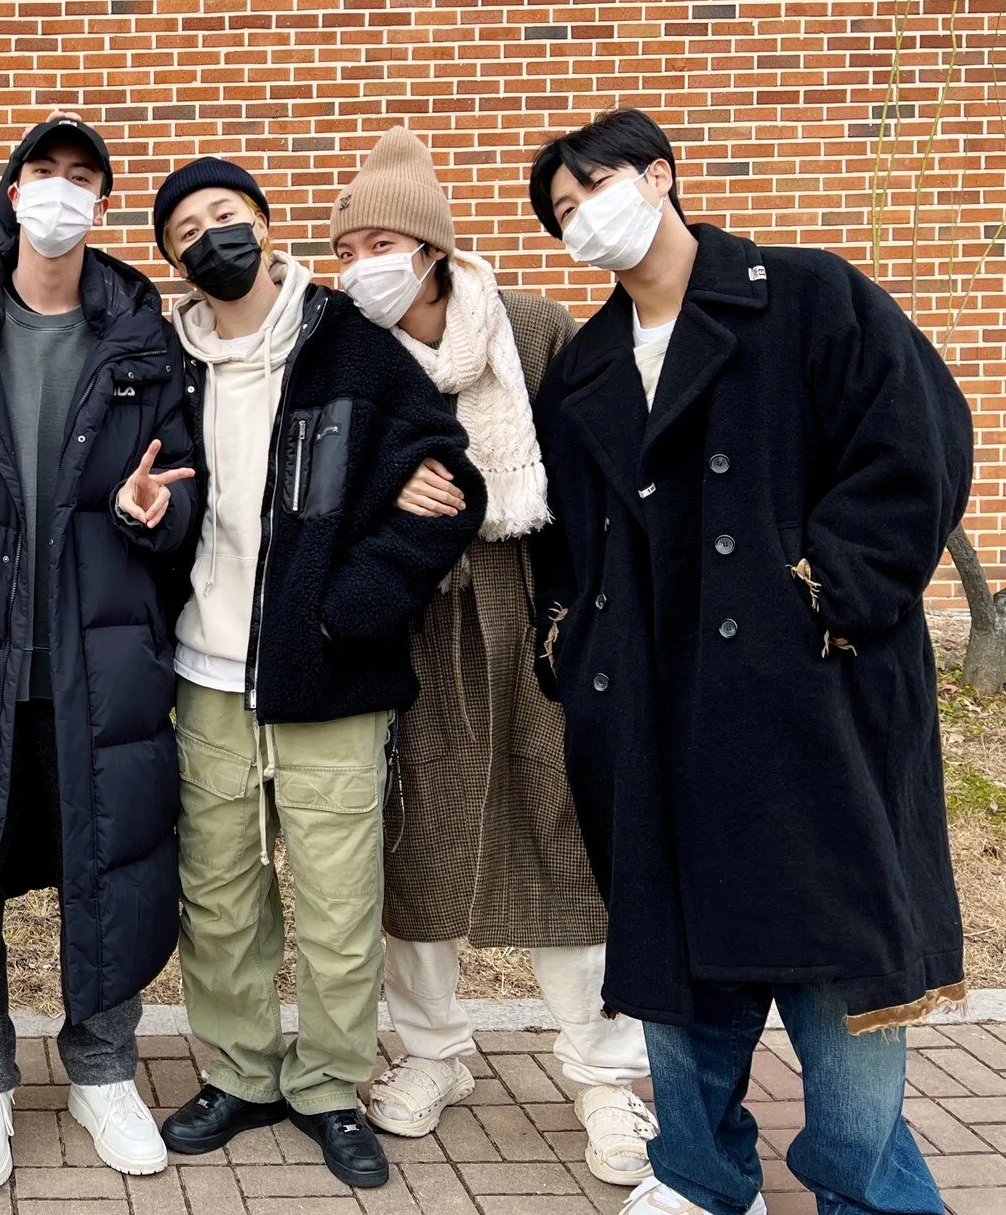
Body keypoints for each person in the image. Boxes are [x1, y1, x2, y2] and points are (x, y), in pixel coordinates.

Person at [525, 108, 971, 1215]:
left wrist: (828, 591)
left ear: (659, 176)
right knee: (674, 943)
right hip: (650, 701)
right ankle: (697, 1172)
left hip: (811, 687)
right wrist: (570, 645)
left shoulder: (806, 295)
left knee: (836, 952)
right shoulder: (584, 369)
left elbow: (915, 445)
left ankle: (865, 1187)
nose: (582, 219)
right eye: (562, 212)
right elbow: (564, 543)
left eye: (593, 189)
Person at [144, 156, 485, 1190]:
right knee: (219, 898)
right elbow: (142, 495)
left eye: (225, 213)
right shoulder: (166, 363)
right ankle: (240, 1074)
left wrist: (346, 612)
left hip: (330, 676)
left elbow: (449, 486)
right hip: (205, 676)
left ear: (261, 222)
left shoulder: (347, 343)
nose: (210, 235)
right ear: (173, 259)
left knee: (339, 906)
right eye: (186, 229)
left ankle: (330, 1085)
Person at [326, 126, 658, 1188]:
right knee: (413, 836)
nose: (361, 265)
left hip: (535, 608)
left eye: (381, 242)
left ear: (429, 247)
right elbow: (319, 486)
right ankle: (432, 1052)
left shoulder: (532, 328)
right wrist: (387, 496)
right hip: (413, 616)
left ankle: (603, 1071)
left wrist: (584, 615)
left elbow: (597, 477)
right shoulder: (345, 349)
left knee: (562, 827)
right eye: (346, 249)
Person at [0, 117, 196, 1191]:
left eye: (81, 179)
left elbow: (184, 493)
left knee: (104, 862)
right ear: (12, 193)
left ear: (101, 204)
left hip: (95, 661)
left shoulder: (140, 334)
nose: (61, 193)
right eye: (43, 174)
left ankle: (103, 1069)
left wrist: (155, 515)